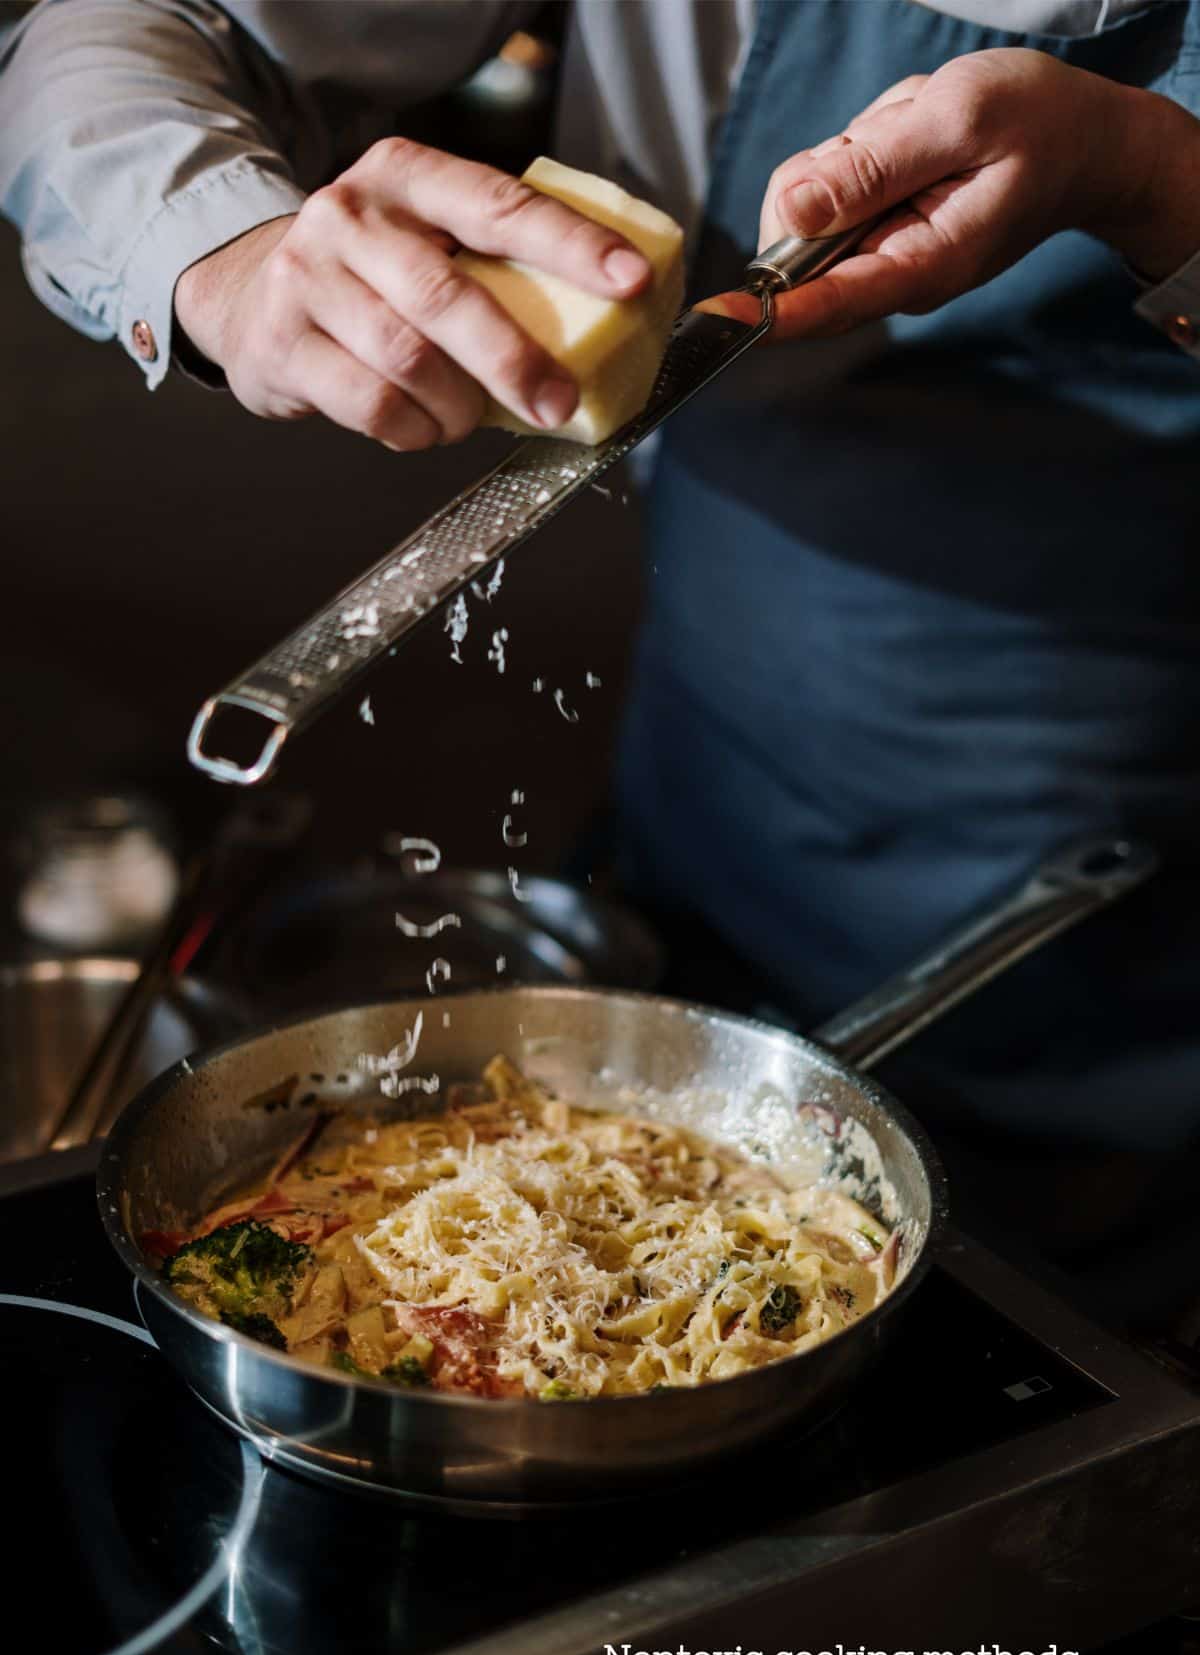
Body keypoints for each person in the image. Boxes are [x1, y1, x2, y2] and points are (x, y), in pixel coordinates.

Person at [5, 0, 1200, 1328]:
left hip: (1129, 869)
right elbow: (113, 37)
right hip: (709, 763)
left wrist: (1151, 170)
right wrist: (217, 251)